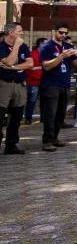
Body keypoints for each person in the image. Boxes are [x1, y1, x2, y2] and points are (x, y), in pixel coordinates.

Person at [38, 23, 77, 152]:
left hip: (64, 84)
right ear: (54, 31)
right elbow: (46, 66)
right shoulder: (47, 47)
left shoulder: (68, 46)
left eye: (65, 33)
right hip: (50, 84)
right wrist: (61, 56)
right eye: (60, 32)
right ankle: (47, 140)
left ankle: (55, 137)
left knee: (60, 114)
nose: (63, 35)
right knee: (50, 114)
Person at [0, 23, 33, 155]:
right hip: (4, 84)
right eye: (20, 31)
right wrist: (16, 46)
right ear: (11, 33)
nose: (22, 33)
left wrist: (13, 68)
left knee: (17, 116)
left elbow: (30, 64)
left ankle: (11, 144)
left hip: (20, 84)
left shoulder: (24, 46)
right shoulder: (1, 46)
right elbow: (8, 61)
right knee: (1, 116)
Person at [23, 37, 46, 125]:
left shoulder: (46, 54)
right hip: (33, 82)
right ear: (40, 44)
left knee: (44, 101)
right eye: (45, 43)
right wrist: (40, 68)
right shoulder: (32, 54)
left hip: (44, 82)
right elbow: (29, 67)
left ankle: (43, 118)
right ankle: (28, 118)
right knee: (32, 101)